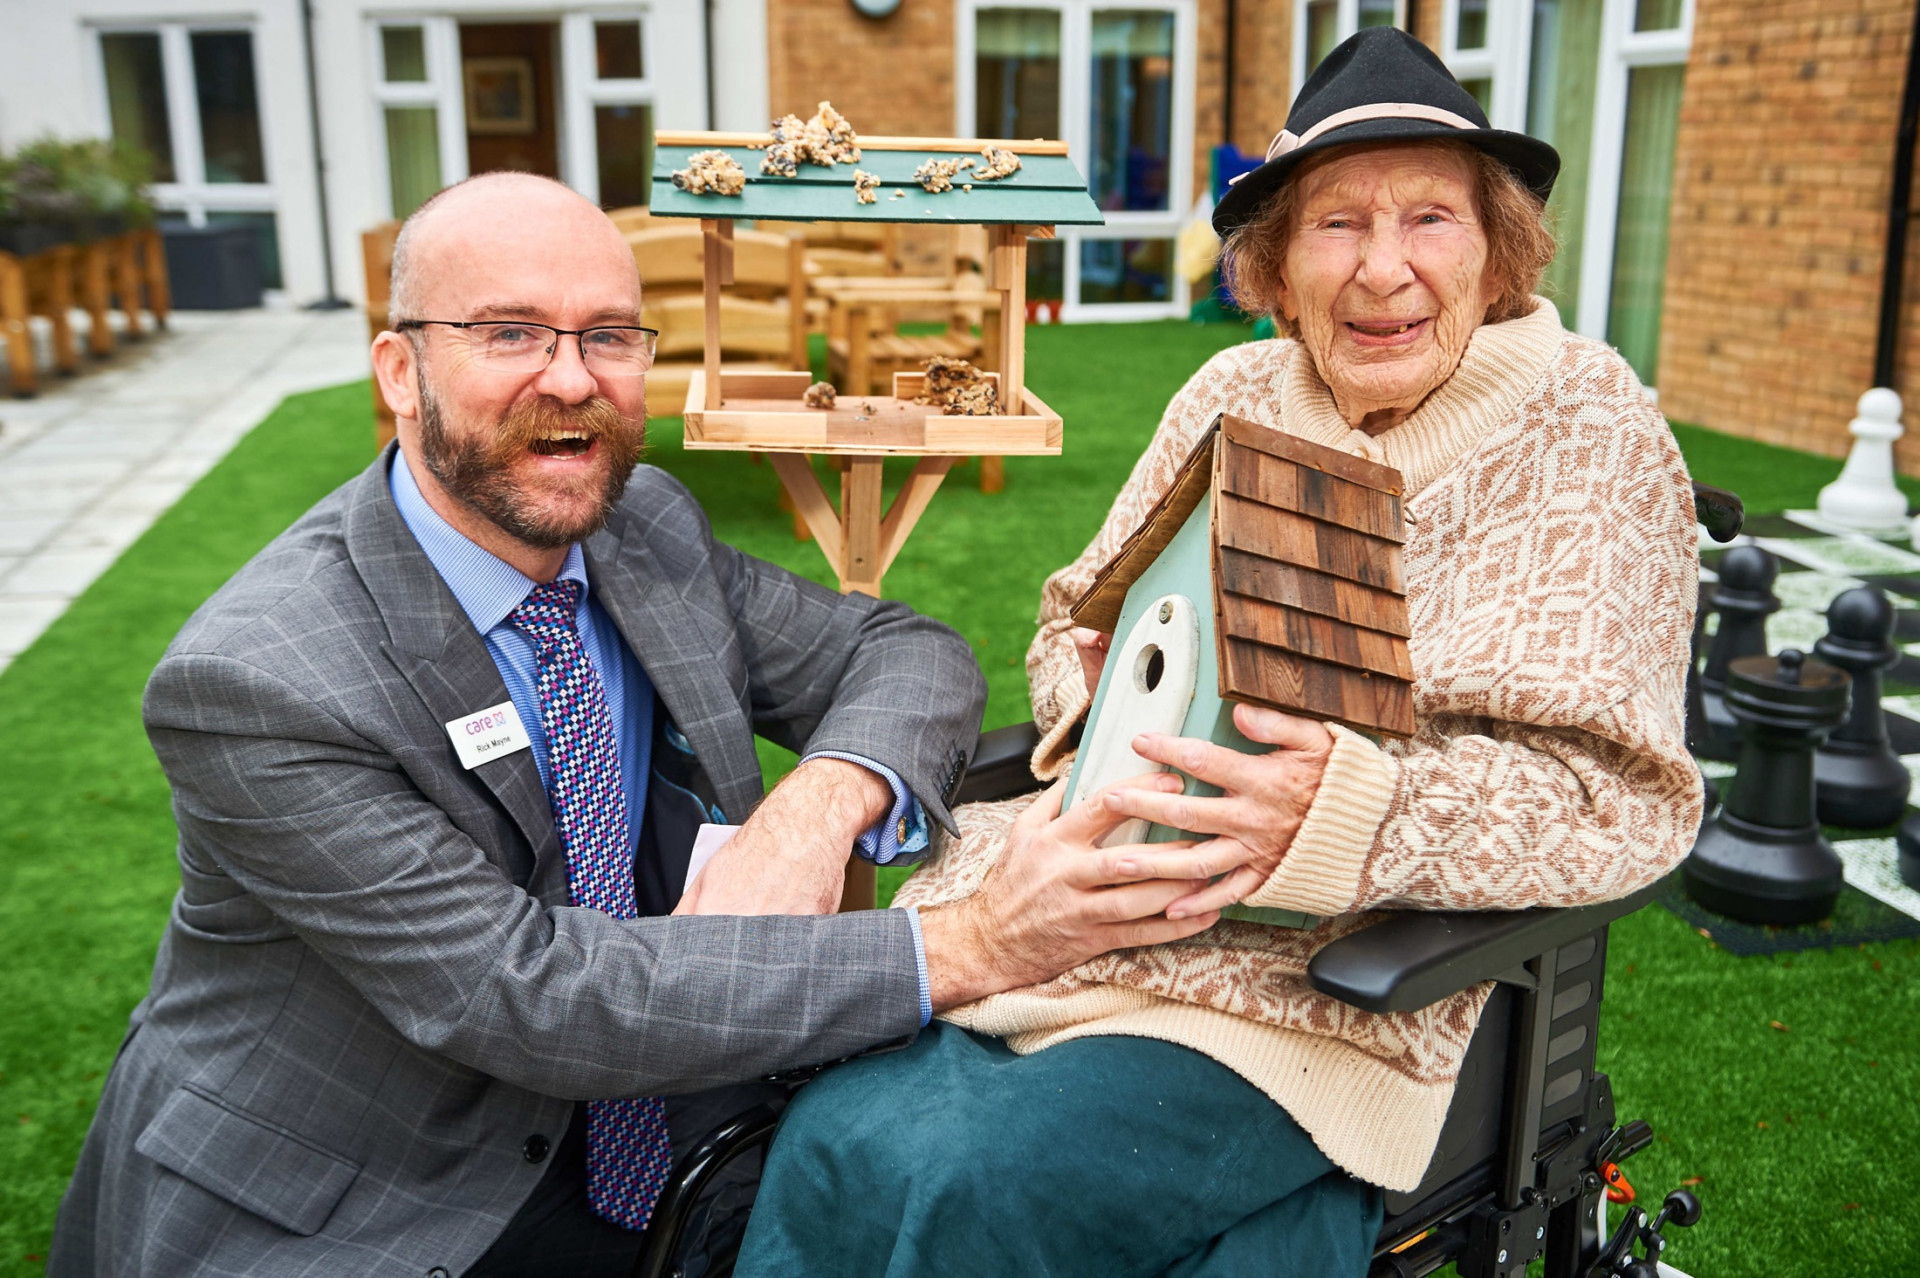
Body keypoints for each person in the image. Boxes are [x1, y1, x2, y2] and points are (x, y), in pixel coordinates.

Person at [47, 172, 1231, 1278]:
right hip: (372, 1191)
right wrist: (974, 944)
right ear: (401, 373)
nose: (572, 380)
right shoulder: (260, 679)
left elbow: (902, 650)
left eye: (610, 335)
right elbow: (527, 998)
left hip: (674, 1105)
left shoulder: (643, 526)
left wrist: (819, 807)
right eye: (510, 333)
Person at [736, 28, 1704, 1277]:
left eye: (1430, 218)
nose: (1384, 269)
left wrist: (1340, 815)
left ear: (1498, 250)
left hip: (1325, 988)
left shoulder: (1587, 425)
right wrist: (1112, 705)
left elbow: (1617, 800)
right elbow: (1078, 621)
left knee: (971, 1181)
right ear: (1278, 266)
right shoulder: (1231, 393)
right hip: (1080, 907)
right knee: (829, 1135)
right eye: (1337, 225)